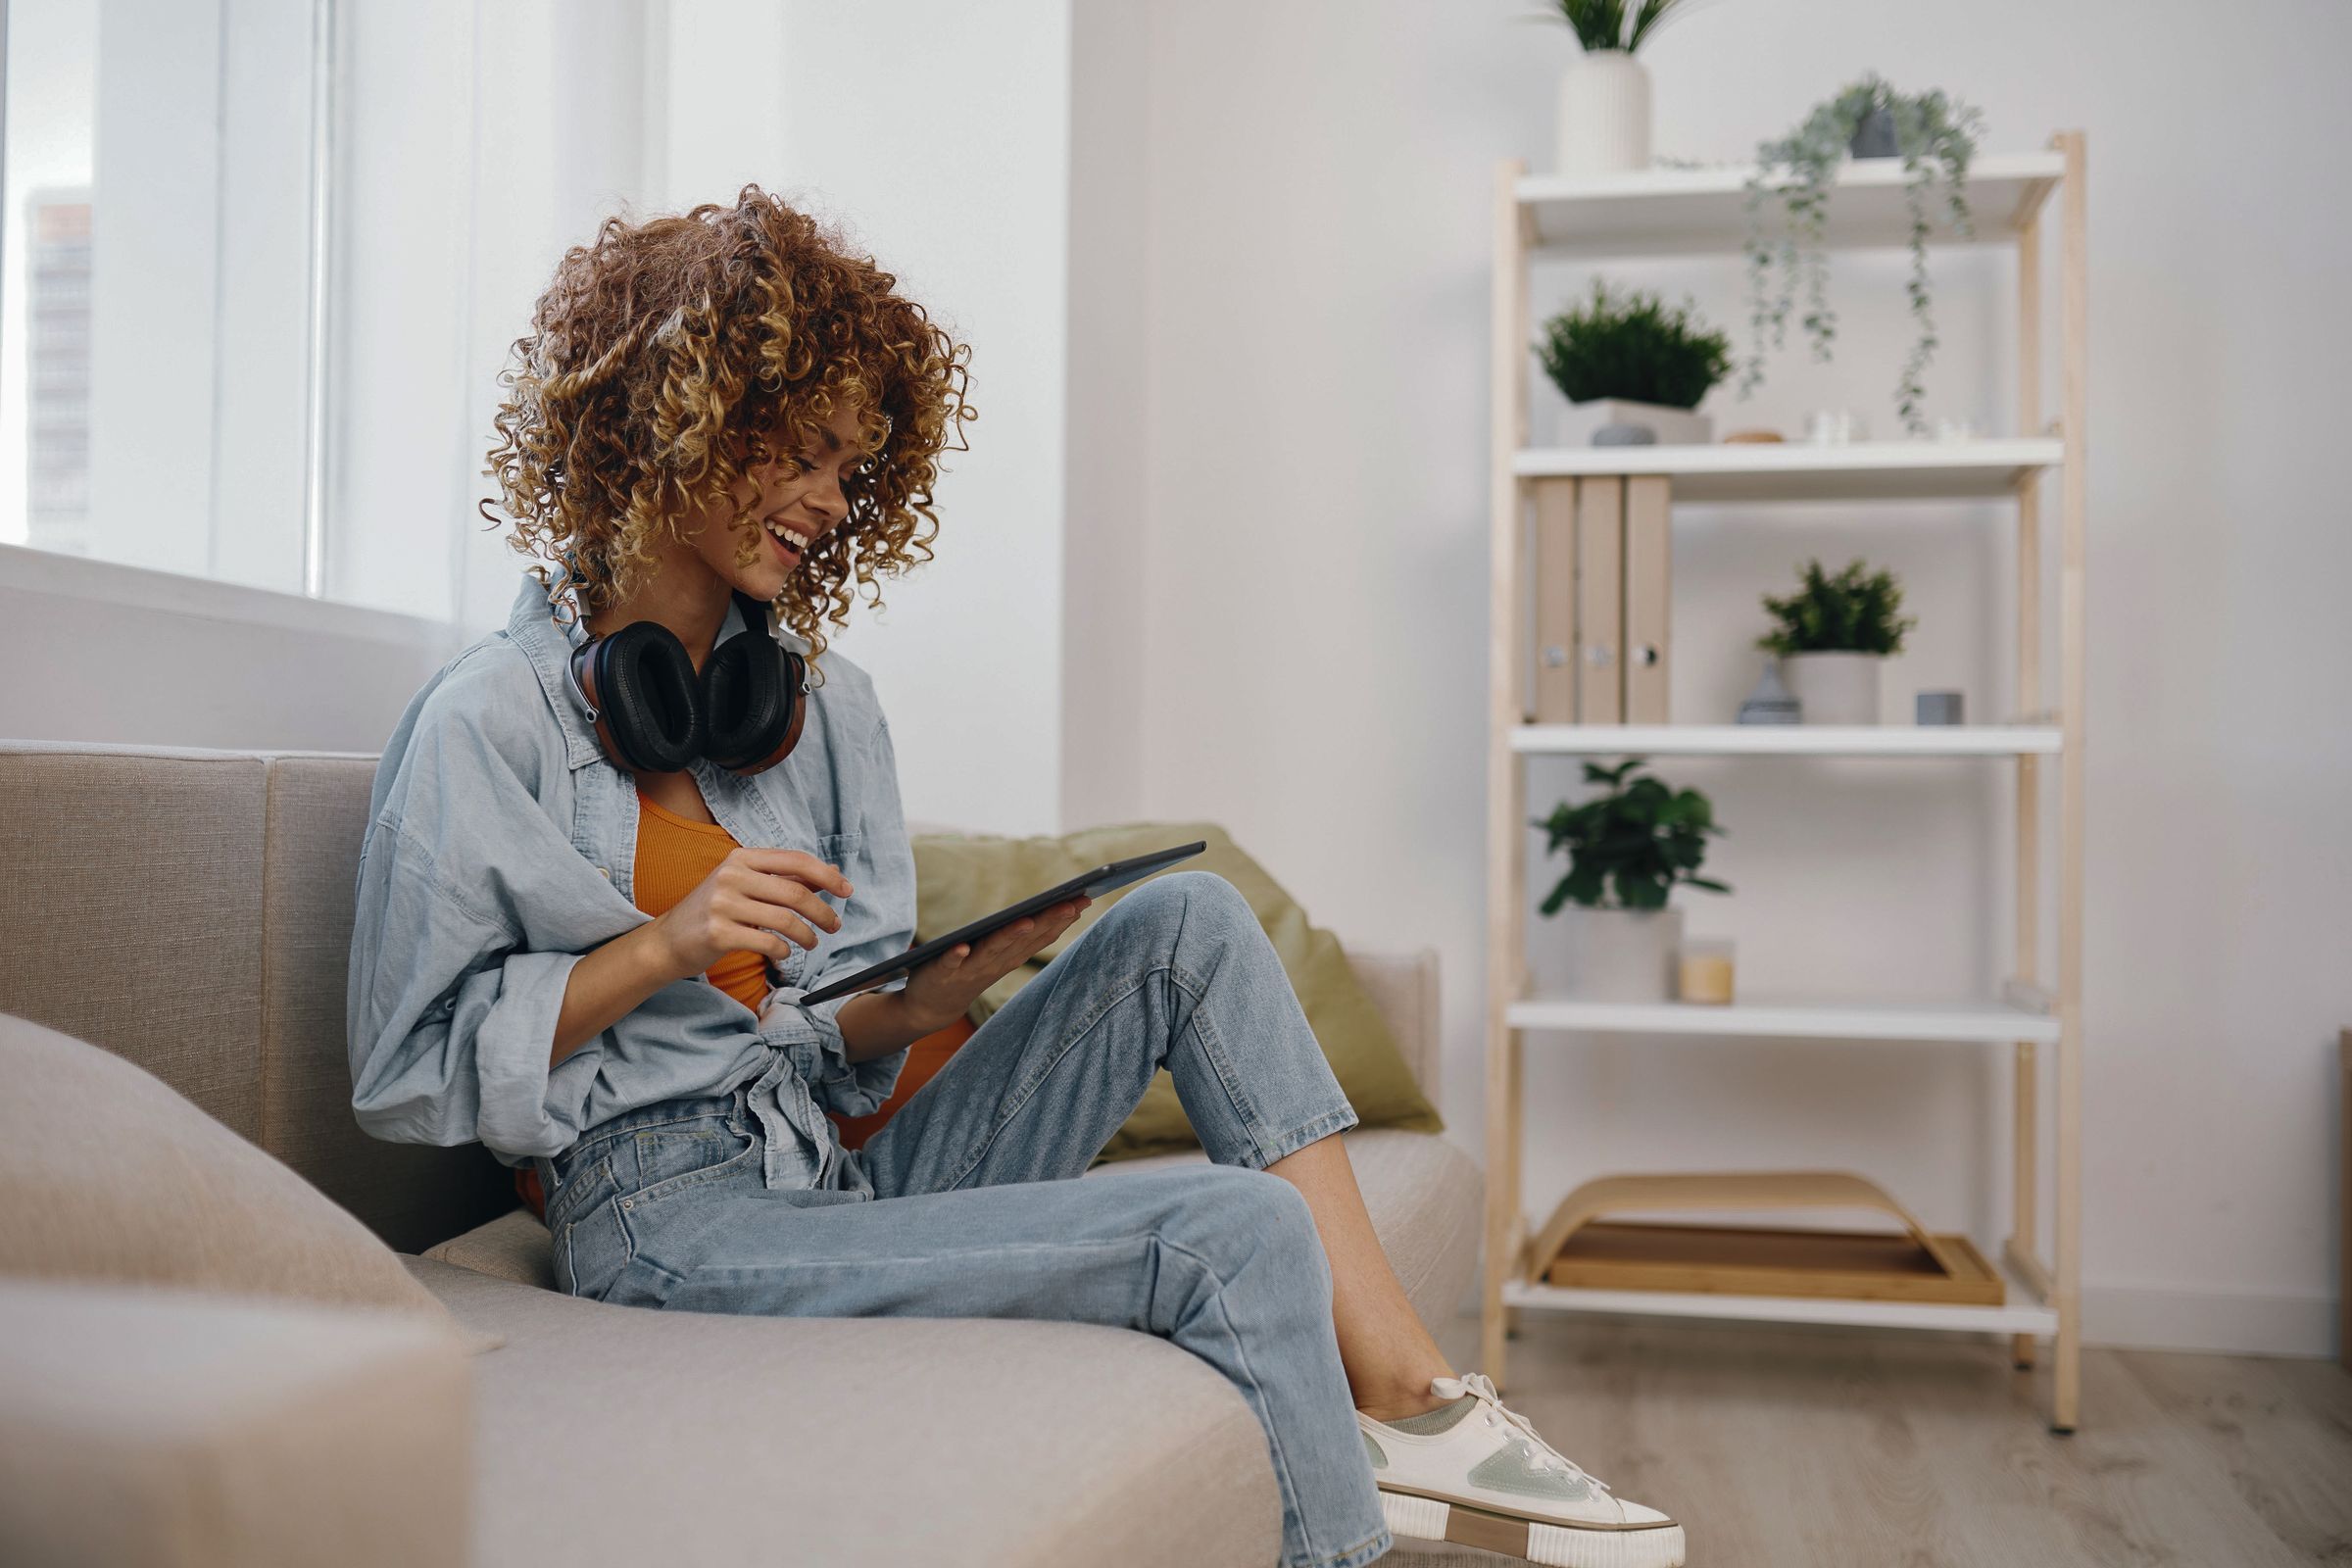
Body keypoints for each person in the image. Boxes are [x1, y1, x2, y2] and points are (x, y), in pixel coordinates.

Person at [345, 185, 1683, 1568]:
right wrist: (659, 947)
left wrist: (918, 1006)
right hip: (659, 1212)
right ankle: (1378, 1473)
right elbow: (406, 1074)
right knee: (1230, 1228)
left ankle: (1410, 1397)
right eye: (801, 451)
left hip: (823, 1169)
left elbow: (830, 1045)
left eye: (851, 469)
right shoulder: (486, 721)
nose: (826, 502)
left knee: (1186, 922)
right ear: (678, 413)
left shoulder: (821, 706)